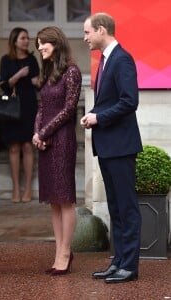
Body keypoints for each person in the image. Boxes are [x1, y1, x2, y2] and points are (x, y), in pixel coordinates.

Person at [81, 13, 142, 283]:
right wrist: (93, 113)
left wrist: (99, 117)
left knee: (127, 208)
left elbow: (130, 101)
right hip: (108, 146)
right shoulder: (105, 60)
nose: (85, 38)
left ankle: (129, 266)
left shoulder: (122, 59)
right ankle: (118, 262)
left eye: (87, 33)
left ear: (101, 30)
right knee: (115, 208)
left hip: (120, 146)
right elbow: (110, 101)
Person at [33, 26, 82, 276]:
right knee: (53, 200)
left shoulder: (71, 71)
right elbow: (42, 106)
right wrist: (36, 132)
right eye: (38, 44)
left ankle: (66, 251)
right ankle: (58, 252)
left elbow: (68, 109)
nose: (40, 47)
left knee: (64, 199)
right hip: (46, 141)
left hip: (62, 140)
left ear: (56, 43)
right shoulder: (48, 70)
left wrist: (45, 133)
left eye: (44, 43)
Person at [0, 27, 40, 203]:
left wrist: (37, 81)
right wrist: (18, 75)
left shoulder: (32, 59)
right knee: (14, 147)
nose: (26, 41)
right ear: (14, 40)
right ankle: (16, 188)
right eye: (23, 38)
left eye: (27, 38)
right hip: (11, 107)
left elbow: (38, 83)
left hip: (29, 105)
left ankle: (28, 190)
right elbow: (4, 85)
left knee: (27, 146)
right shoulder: (6, 60)